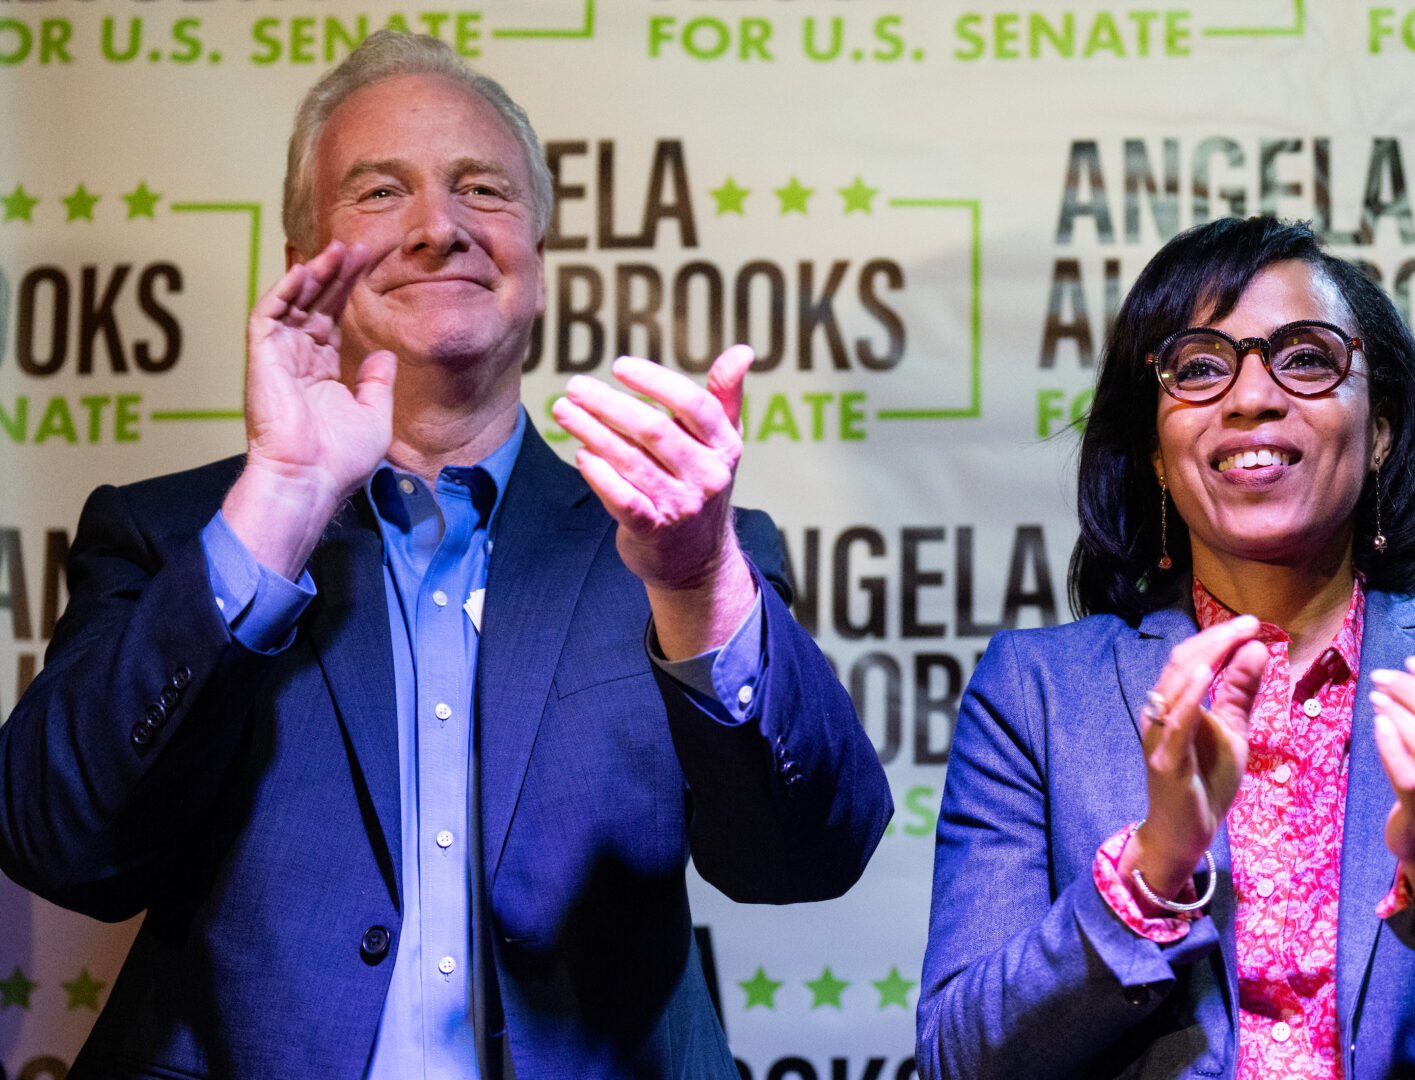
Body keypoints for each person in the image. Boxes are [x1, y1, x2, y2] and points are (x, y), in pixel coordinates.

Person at [0, 30, 891, 1079]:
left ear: (541, 267)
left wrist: (697, 584)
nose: (441, 227)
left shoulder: (679, 546)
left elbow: (811, 855)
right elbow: (65, 843)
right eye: (380, 193)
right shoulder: (167, 536)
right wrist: (275, 512)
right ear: (303, 268)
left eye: (484, 191)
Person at [915, 216, 1415, 1080]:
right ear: (1159, 455)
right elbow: (960, 1058)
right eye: (1200, 367)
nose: (1251, 397)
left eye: (1307, 359)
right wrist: (1154, 864)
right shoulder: (1036, 694)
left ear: (1381, 427)